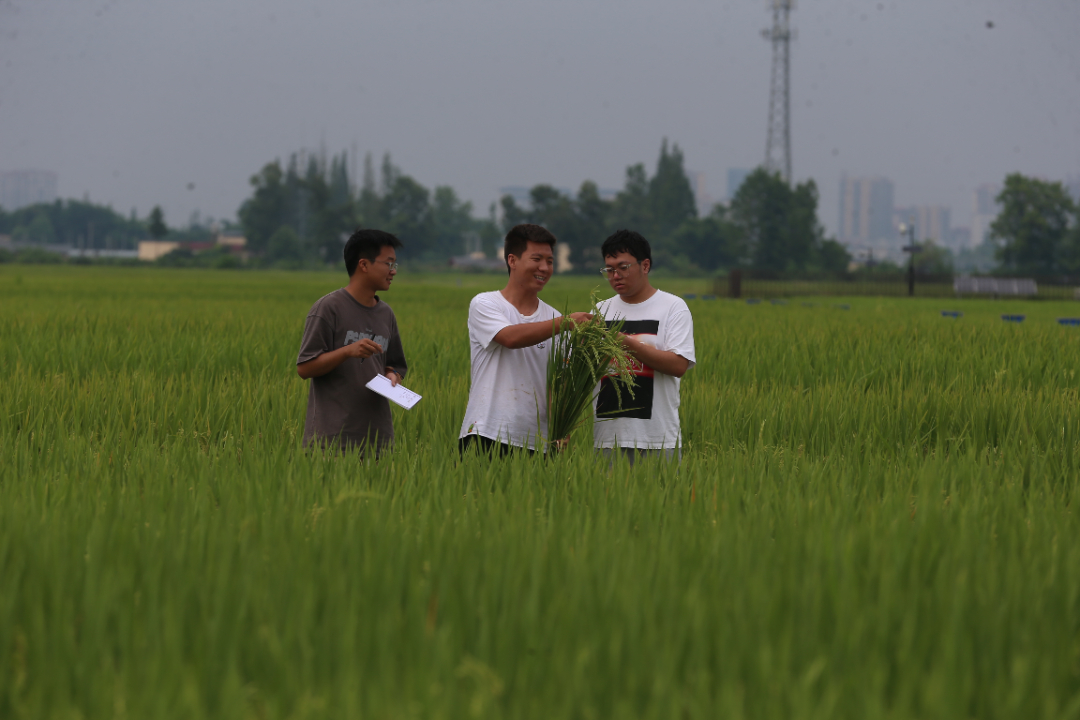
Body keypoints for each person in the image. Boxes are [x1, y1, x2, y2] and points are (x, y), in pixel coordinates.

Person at [459, 223, 592, 455]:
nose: (544, 268)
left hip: (537, 442)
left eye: (550, 261)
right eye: (536, 259)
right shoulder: (486, 304)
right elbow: (509, 337)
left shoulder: (554, 317)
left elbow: (556, 384)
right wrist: (566, 323)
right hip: (485, 434)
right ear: (512, 260)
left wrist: (560, 430)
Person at [296, 228, 408, 455]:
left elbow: (395, 364)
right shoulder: (328, 308)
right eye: (388, 264)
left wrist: (392, 375)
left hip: (378, 441)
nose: (393, 271)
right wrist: (347, 351)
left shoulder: (386, 313)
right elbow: (305, 368)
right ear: (364, 264)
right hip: (332, 441)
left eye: (394, 265)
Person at [593, 229, 695, 464]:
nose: (615, 275)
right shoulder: (600, 311)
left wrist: (624, 342)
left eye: (623, 267)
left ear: (645, 265)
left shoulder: (673, 308)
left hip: (657, 439)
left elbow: (679, 365)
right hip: (607, 439)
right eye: (609, 269)